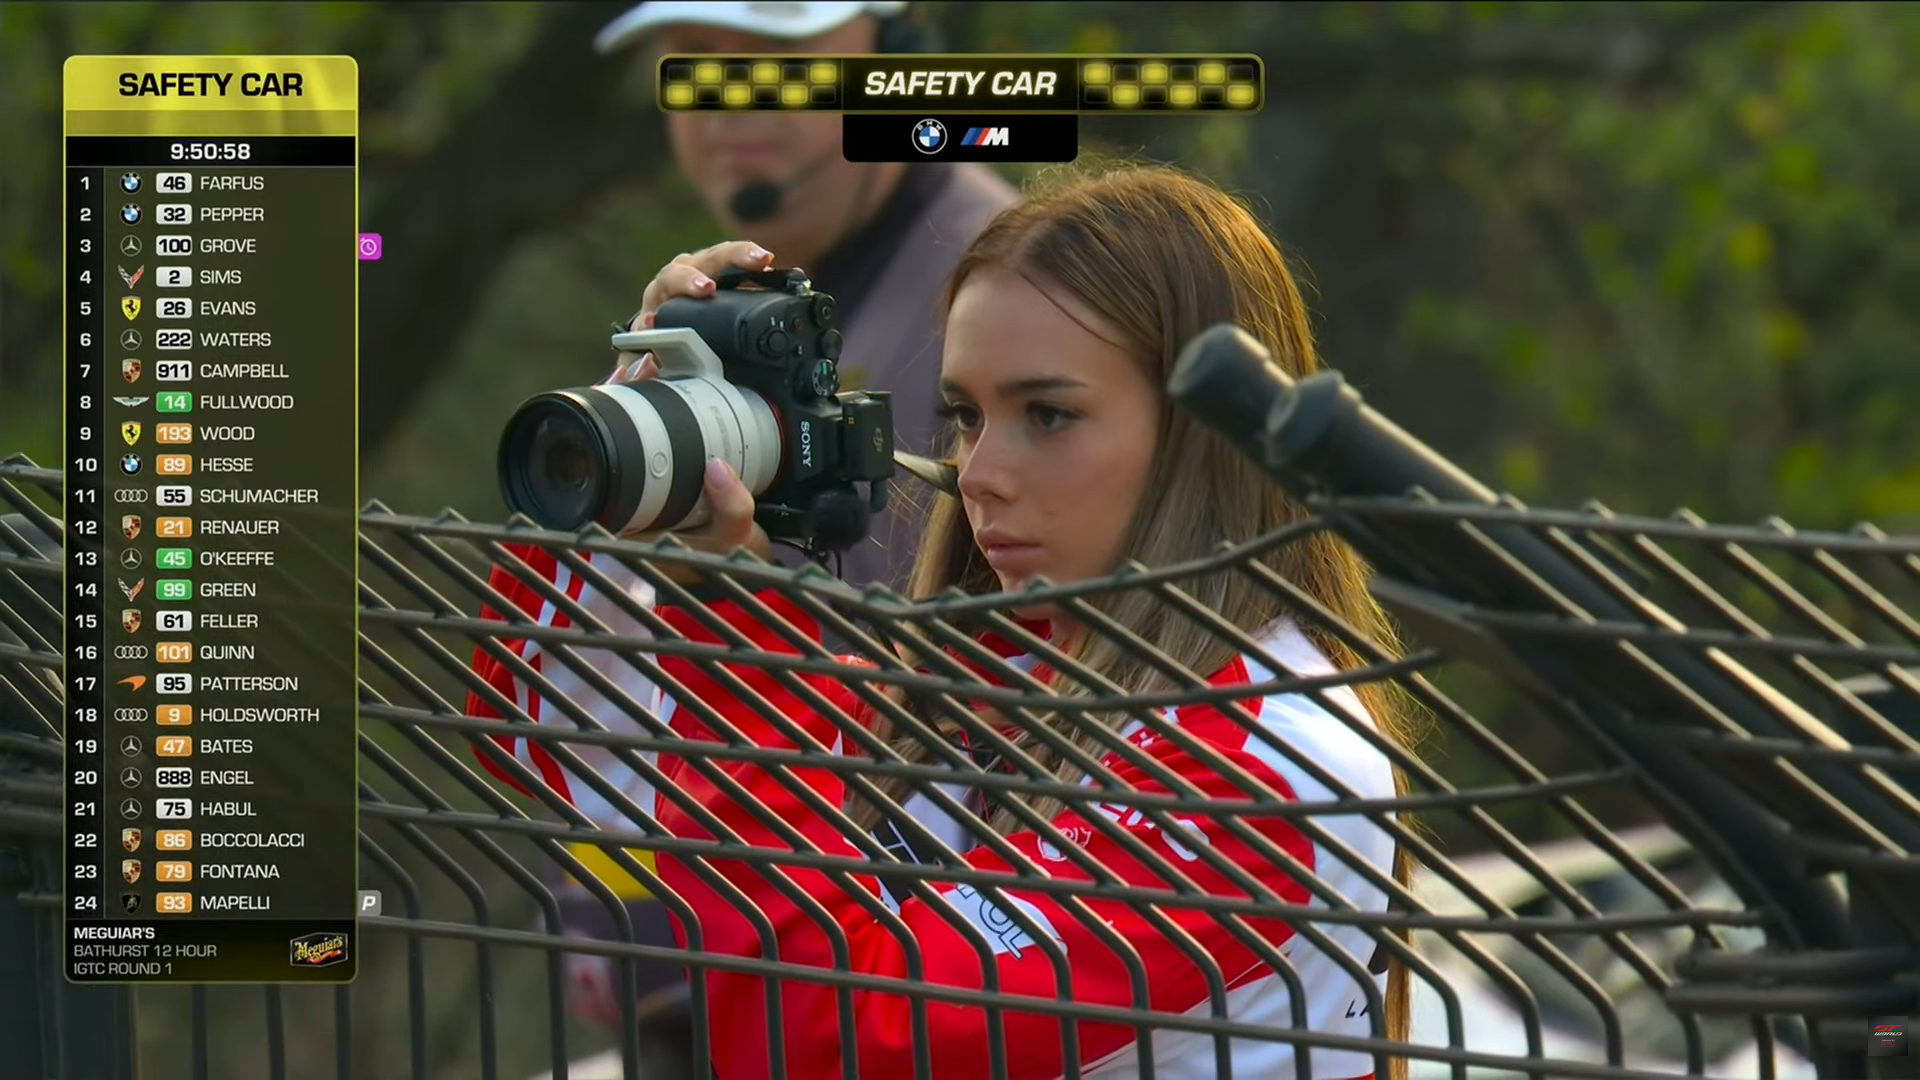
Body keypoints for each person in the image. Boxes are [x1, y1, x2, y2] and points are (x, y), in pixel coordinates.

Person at [472, 161, 1422, 1079]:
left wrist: (737, 624)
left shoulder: (1273, 768)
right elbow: (556, 746)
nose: (979, 475)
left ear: (1203, 438)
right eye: (966, 416)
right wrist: (638, 430)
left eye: (1046, 415)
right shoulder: (1002, 676)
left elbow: (851, 1041)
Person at [486, 0, 1019, 1059]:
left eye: (773, 56)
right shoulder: (734, 300)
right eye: (690, 61)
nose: (727, 102)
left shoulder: (991, 302)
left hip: (893, 1004)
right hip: (735, 982)